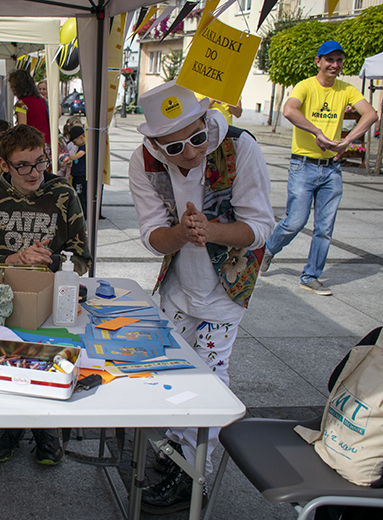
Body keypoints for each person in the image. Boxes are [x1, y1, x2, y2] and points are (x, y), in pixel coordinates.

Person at [128, 81, 275, 514]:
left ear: (205, 119)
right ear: (155, 143)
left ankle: (194, 473)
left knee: (208, 378)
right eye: (175, 147)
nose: (191, 153)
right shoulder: (144, 160)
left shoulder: (239, 147)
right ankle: (178, 444)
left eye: (196, 137)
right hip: (178, 286)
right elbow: (153, 235)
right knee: (171, 369)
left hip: (227, 289)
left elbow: (260, 225)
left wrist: (210, 230)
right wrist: (184, 233)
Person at [0, 124, 91, 465]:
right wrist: (15, 258)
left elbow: (83, 259)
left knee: (47, 356)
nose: (35, 172)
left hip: (53, 295)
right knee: (8, 357)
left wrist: (52, 259)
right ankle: (10, 425)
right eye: (22, 165)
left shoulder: (63, 194)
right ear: (4, 165)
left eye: (40, 162)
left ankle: (44, 428)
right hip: (2, 296)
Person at [260, 40, 377, 296]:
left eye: (339, 60)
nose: (335, 65)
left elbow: (371, 114)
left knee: (325, 228)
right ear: (319, 62)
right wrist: (317, 132)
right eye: (329, 60)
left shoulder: (346, 89)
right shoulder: (305, 86)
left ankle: (310, 276)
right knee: (295, 222)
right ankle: (268, 249)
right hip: (303, 165)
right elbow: (289, 110)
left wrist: (347, 141)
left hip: (331, 169)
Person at [8, 69, 50, 151]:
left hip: (32, 144)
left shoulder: (21, 103)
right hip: (46, 141)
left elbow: (23, 128)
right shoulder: (41, 100)